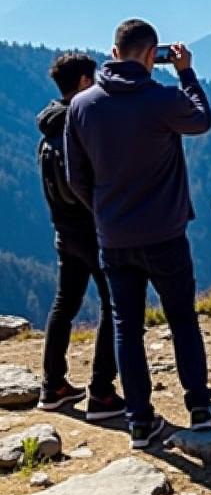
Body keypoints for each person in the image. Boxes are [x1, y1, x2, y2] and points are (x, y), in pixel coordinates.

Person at [65, 19, 211, 450]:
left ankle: (139, 422)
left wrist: (105, 213)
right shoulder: (161, 98)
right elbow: (202, 120)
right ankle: (199, 408)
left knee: (126, 328)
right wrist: (185, 72)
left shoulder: (81, 106)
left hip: (114, 237)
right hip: (166, 234)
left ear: (113, 53)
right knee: (182, 319)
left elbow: (77, 178)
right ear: (153, 56)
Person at [36, 52, 124, 421]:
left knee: (64, 304)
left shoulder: (48, 129)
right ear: (86, 83)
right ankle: (102, 393)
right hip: (94, 231)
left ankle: (52, 386)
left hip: (64, 232)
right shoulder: (80, 127)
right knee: (113, 306)